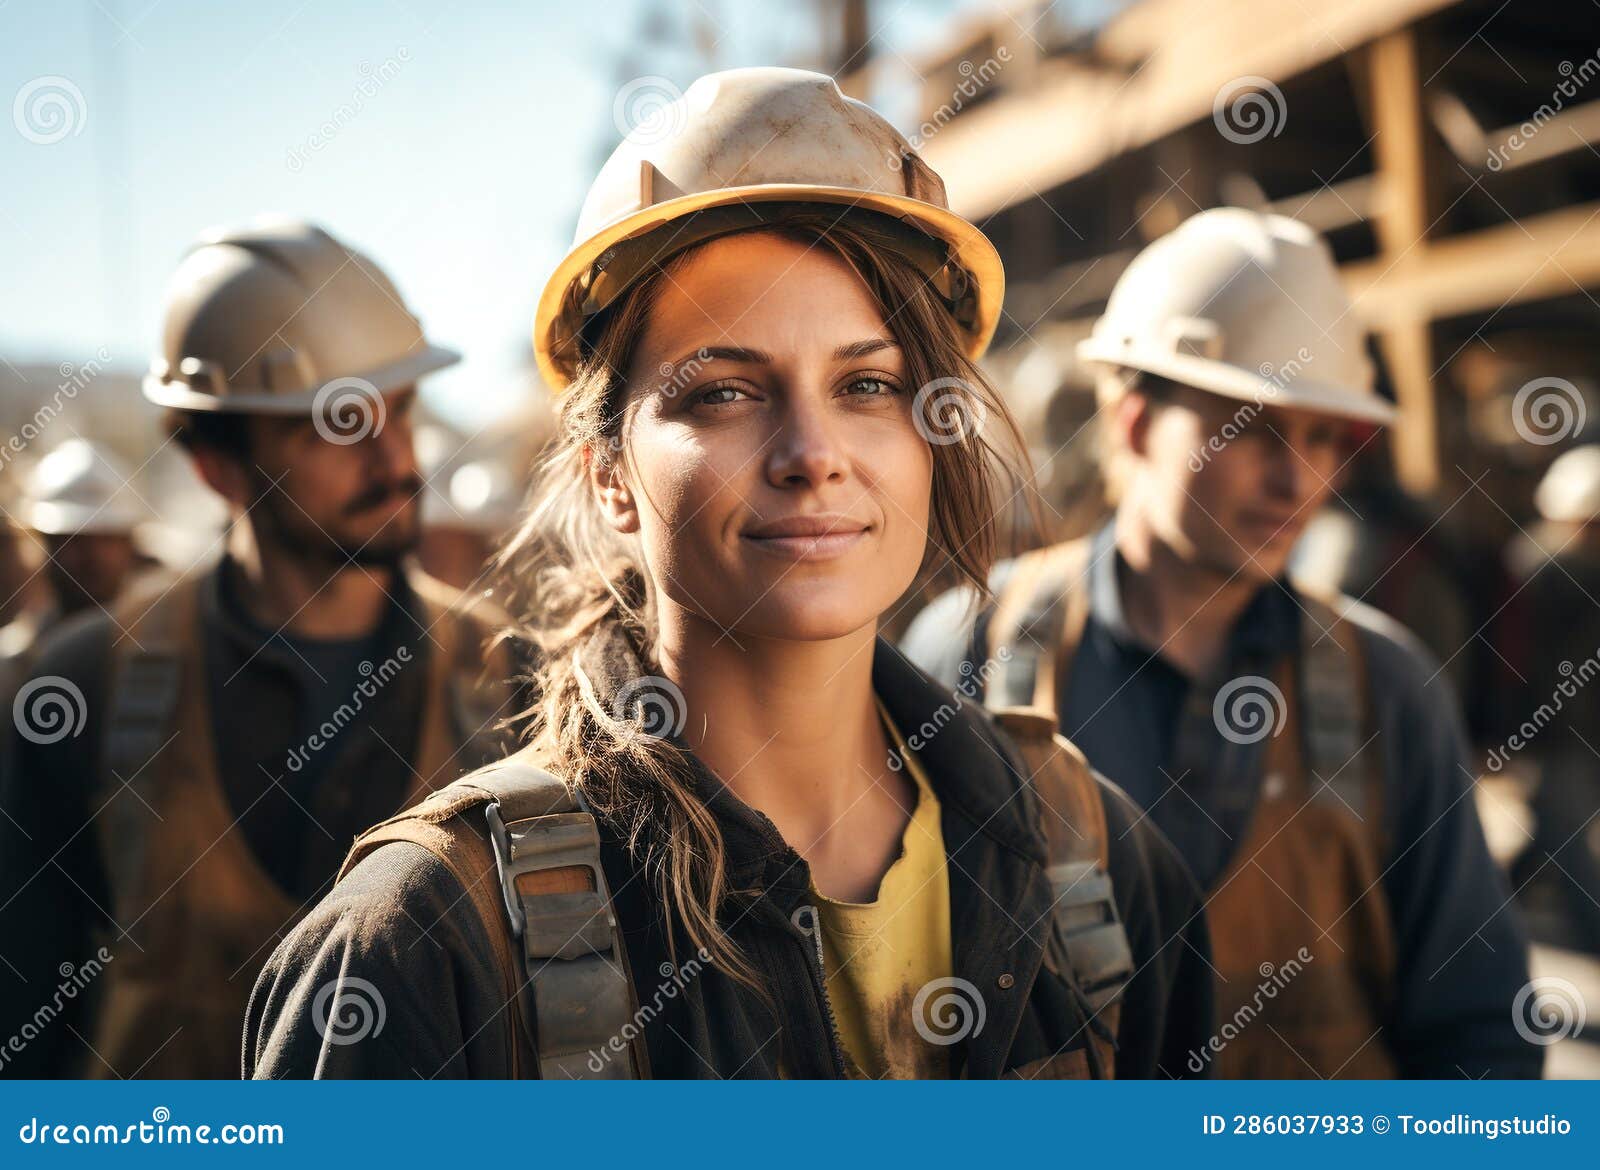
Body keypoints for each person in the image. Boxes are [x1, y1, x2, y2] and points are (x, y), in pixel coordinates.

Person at [244, 67, 1212, 1080]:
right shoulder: (417, 953)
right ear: (609, 476)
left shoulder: (1095, 867)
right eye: (722, 393)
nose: (811, 452)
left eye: (868, 384)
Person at [904, 208, 1538, 1079]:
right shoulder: (970, 649)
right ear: (1132, 423)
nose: (1297, 479)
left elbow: (1479, 1034)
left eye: (1324, 439)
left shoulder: (1387, 686)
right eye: (1255, 427)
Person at [0, 219, 518, 1079]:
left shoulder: (515, 677)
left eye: (402, 412)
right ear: (219, 467)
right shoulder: (81, 686)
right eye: (338, 426)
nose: (397, 461)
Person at [1502, 444, 1600, 951]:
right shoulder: (1555, 568)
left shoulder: (1538, 560)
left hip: (1563, 729)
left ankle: (1482, 908)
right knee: (1567, 835)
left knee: (1553, 832)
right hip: (1557, 730)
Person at [0, 439, 142, 700]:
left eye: (107, 539)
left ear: (130, 544)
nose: (93, 557)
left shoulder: (165, 654)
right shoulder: (11, 666)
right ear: (38, 543)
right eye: (73, 539)